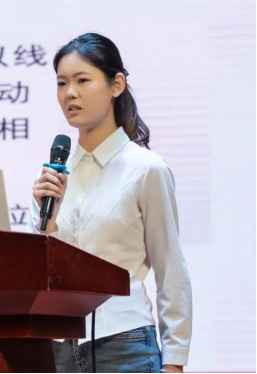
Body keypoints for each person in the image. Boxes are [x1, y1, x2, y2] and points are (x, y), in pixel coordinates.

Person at [27, 33, 192, 373]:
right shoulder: (51, 179)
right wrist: (49, 224)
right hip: (57, 348)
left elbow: (170, 268)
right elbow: (37, 274)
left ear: (116, 84)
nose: (69, 93)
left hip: (125, 344)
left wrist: (175, 361)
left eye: (82, 80)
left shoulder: (146, 169)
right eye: (61, 83)